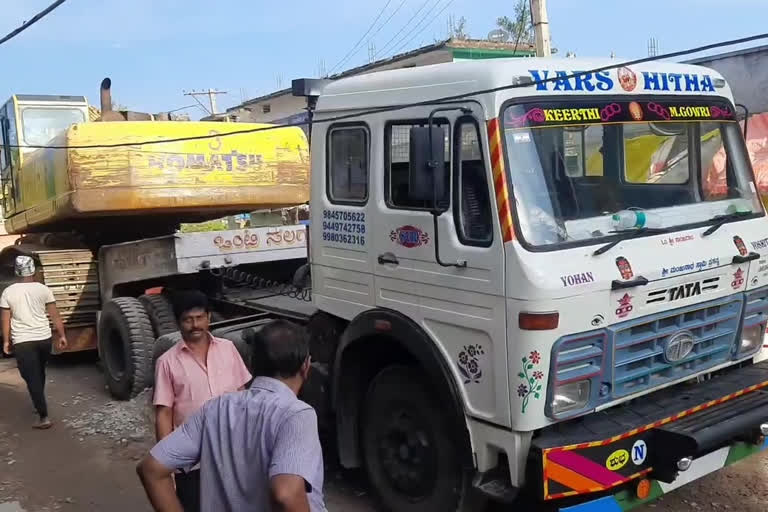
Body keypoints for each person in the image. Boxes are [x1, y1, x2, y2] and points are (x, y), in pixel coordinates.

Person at [138, 320, 326, 512]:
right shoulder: (296, 415)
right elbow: (286, 494)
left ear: (252, 363)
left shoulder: (214, 408)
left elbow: (152, 469)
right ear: (306, 366)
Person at [152, 290, 252, 512]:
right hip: (192, 463)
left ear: (208, 317)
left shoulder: (228, 349)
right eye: (187, 320)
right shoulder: (167, 363)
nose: (194, 325)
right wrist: (167, 465)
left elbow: (243, 396)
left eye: (199, 318)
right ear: (179, 323)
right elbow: (163, 414)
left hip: (233, 454)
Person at [1, 255, 67, 429]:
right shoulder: (43, 289)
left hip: (23, 341)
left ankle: (43, 416)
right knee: (37, 372)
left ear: (16, 271)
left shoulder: (8, 292)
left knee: (30, 376)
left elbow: (5, 320)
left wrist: (6, 341)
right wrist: (62, 335)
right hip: (44, 339)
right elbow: (55, 315)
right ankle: (39, 401)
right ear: (33, 271)